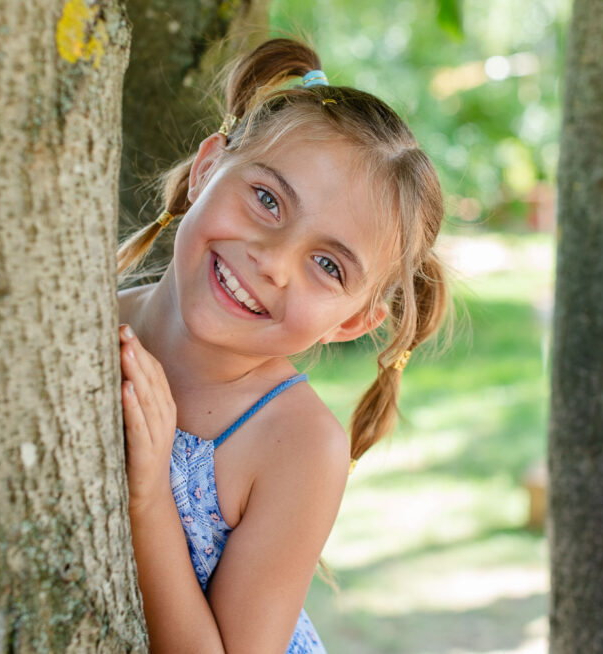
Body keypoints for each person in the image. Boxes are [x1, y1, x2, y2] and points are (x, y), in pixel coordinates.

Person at [117, 38, 448, 654]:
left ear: (350, 324)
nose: (272, 263)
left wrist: (148, 499)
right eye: (267, 199)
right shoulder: (86, 319)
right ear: (207, 168)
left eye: (327, 264)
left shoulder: (296, 444)